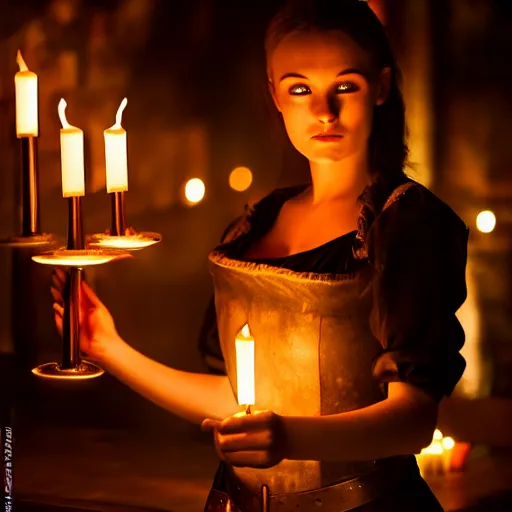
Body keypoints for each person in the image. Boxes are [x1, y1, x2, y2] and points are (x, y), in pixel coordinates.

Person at [52, 1, 469, 510]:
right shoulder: (257, 224)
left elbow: (413, 420)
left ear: (381, 88)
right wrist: (108, 349)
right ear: (275, 95)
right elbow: (242, 402)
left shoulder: (407, 224)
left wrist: (289, 439)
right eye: (300, 88)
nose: (323, 111)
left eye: (345, 86)